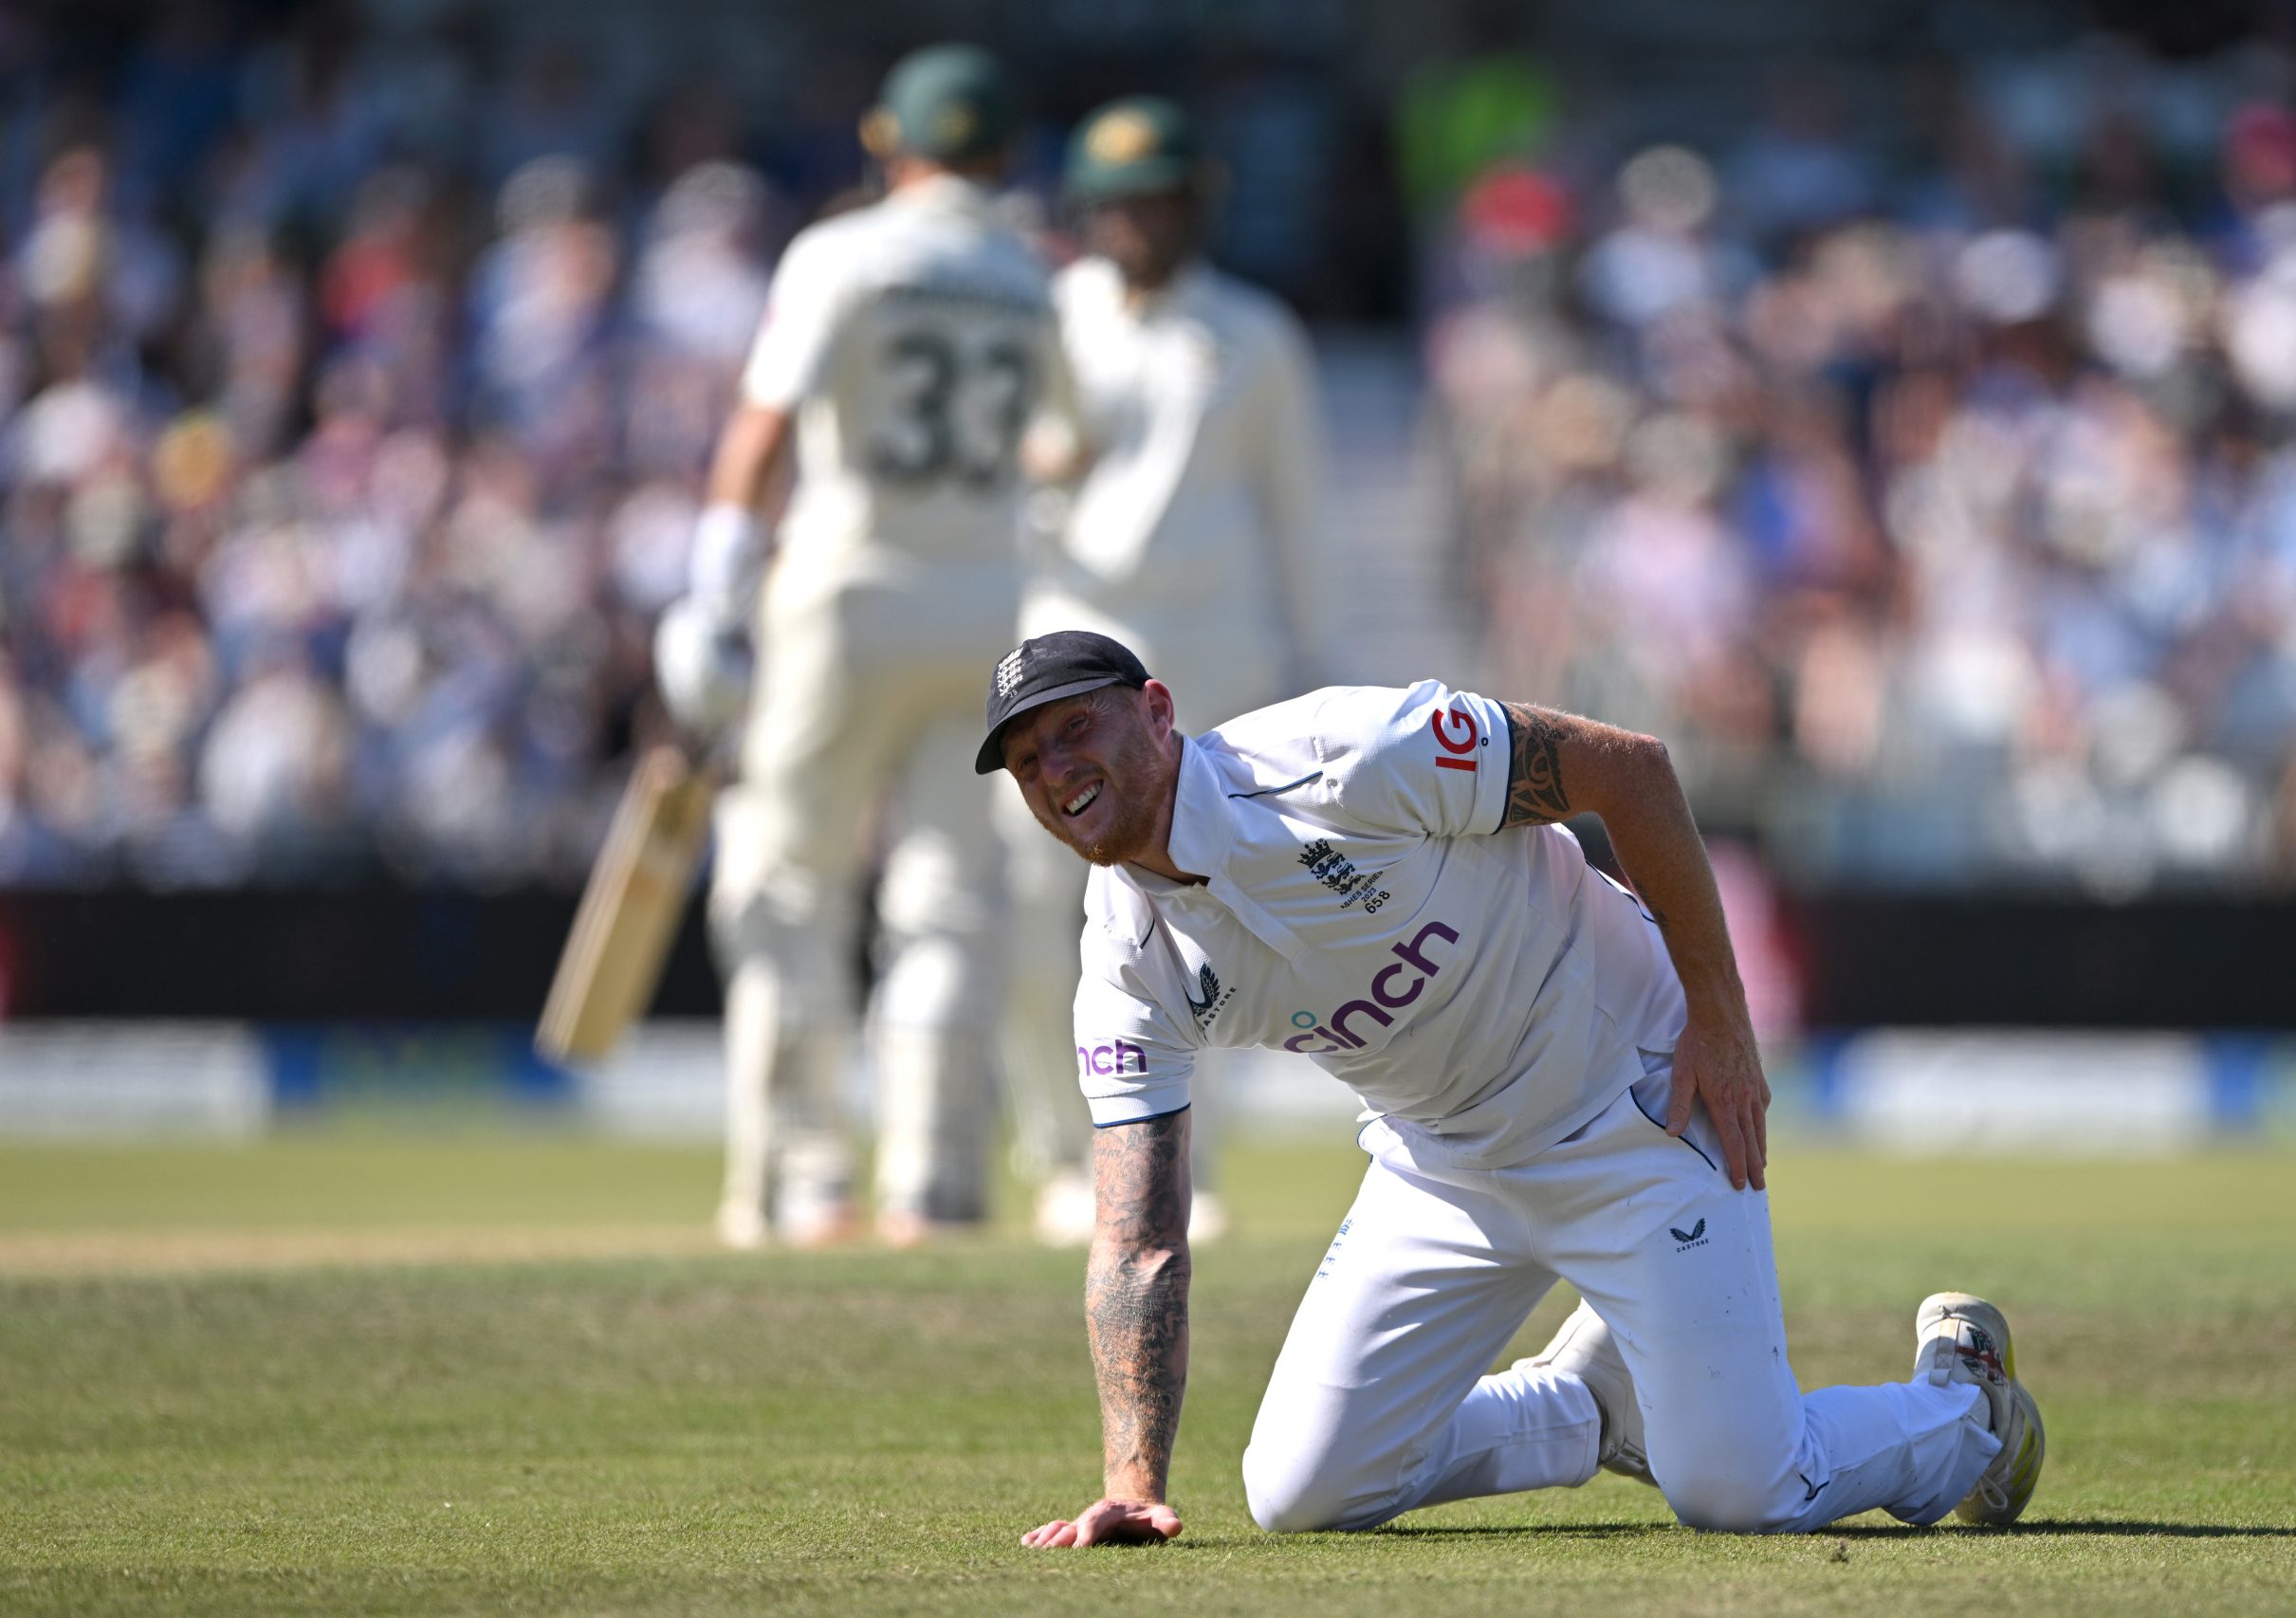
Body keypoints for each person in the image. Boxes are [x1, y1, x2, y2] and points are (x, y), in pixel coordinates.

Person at [973, 631, 2046, 1544]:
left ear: (1157, 712)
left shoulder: (1342, 752)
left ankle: (1967, 1402)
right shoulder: (1121, 962)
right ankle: (1589, 1408)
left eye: (1075, 727)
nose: (1055, 768)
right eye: (1026, 760)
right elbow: (1136, 1239)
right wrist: (1132, 1483)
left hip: (1631, 1099)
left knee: (1740, 1491)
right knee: (1299, 1490)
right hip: (1440, 1162)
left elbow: (1628, 769)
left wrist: (1719, 1021)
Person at [654, 45, 1065, 1248]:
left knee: (786, 884)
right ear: (998, 156)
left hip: (847, 595)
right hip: (990, 605)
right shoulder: (1034, 276)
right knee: (947, 898)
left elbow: (761, 430)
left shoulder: (839, 254)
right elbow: (1066, 446)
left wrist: (710, 597)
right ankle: (930, 1184)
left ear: (895, 147)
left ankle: (805, 1177)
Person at [1004, 95, 1325, 1246]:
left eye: (1158, 201)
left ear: (1195, 206)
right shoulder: (1047, 317)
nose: (1136, 222)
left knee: (1215, 914)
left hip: (1209, 656)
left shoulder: (1255, 333)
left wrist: (1311, 665)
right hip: (1059, 648)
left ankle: (1194, 1163)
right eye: (1117, 203)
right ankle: (1056, 1155)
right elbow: (994, 484)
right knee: (1043, 910)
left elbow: (1296, 517)